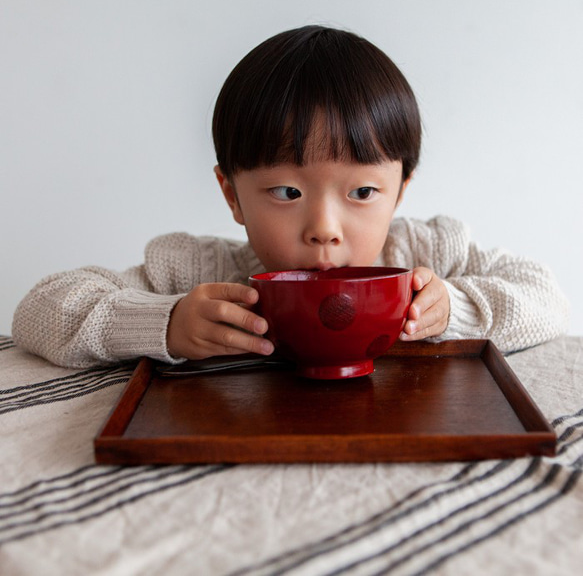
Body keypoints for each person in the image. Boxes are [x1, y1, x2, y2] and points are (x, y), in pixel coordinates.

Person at [12, 25, 569, 368]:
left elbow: (547, 297)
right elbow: (38, 312)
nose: (324, 227)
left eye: (363, 191)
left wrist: (457, 308)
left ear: (399, 192)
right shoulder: (203, 274)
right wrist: (169, 321)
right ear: (232, 195)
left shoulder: (426, 255)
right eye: (286, 190)